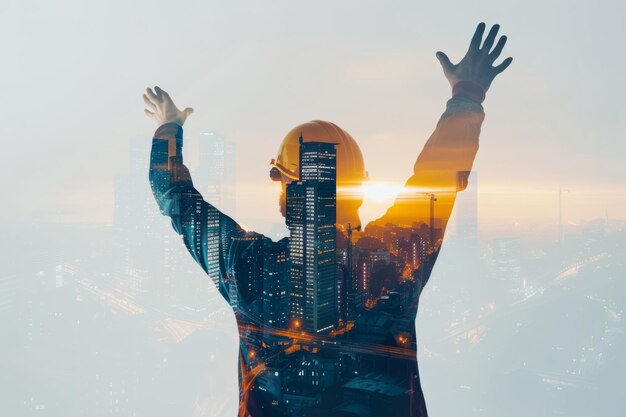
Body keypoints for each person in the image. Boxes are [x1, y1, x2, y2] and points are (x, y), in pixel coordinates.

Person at [144, 22, 511, 417]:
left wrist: (169, 126)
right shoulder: (391, 259)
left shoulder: (249, 268)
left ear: (289, 194)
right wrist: (467, 94)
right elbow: (439, 175)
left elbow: (174, 196)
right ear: (357, 190)